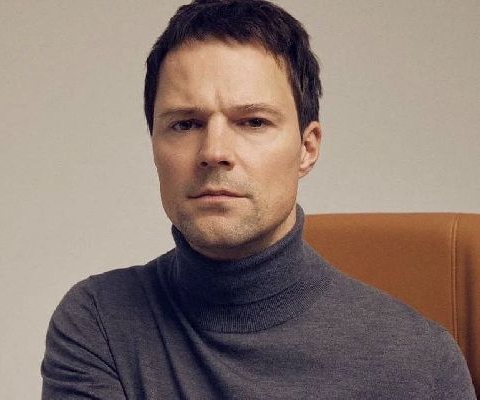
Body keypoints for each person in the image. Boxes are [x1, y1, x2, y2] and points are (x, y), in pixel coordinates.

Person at [40, 1, 476, 398]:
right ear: (153, 145)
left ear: (307, 148)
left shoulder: (421, 364)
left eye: (252, 122)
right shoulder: (99, 321)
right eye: (185, 124)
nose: (214, 152)